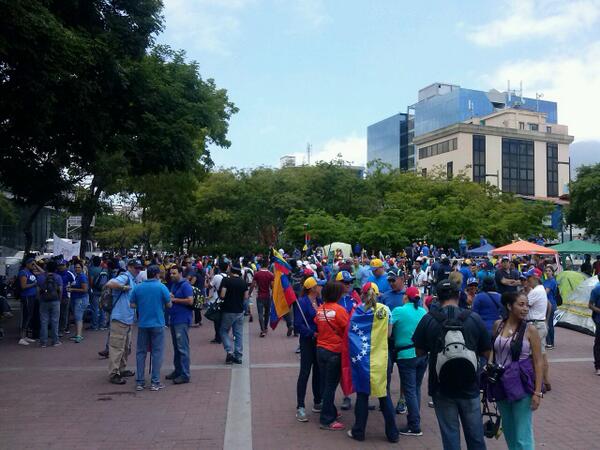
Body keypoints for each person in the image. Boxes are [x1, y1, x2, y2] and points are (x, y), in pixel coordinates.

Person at [413, 280, 491, 450]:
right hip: (469, 384)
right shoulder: (473, 318)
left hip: (441, 386)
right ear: (458, 296)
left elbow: (419, 352)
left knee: (450, 436)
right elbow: (486, 351)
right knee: (476, 435)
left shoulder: (428, 319)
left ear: (437, 298)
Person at [490, 291, 544, 449]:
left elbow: (538, 362)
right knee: (509, 430)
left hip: (521, 383)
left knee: (523, 435)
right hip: (500, 383)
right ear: (509, 306)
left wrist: (537, 392)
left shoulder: (530, 330)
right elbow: (493, 349)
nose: (525, 308)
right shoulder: (498, 325)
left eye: (527, 305)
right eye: (521, 304)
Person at [347, 282, 399, 443]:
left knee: (362, 395)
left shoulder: (357, 311)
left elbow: (351, 334)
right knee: (384, 395)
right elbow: (389, 334)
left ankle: (359, 431)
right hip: (382, 358)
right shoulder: (385, 310)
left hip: (363, 360)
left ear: (362, 294)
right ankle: (392, 434)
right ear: (377, 294)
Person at [391, 285, 427, 436]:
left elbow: (388, 329)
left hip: (406, 355)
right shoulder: (423, 312)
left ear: (405, 297)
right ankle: (415, 420)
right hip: (422, 355)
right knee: (416, 388)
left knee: (410, 390)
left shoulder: (398, 311)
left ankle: (414, 425)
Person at [130, 265, 172, 391]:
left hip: (143, 323)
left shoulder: (138, 287)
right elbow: (169, 304)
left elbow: (132, 304)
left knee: (141, 352)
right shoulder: (161, 287)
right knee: (157, 353)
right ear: (157, 274)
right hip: (158, 323)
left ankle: (140, 381)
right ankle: (155, 381)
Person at [314, 281, 349, 431]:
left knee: (326, 383)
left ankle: (330, 411)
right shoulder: (339, 310)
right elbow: (347, 328)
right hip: (334, 351)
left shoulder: (320, 309)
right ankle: (327, 419)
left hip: (320, 350)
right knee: (330, 386)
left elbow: (317, 323)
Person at [294, 276, 325, 422]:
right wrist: (311, 333)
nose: (321, 288)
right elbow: (298, 325)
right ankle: (300, 406)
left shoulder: (319, 301)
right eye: (318, 286)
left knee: (318, 371)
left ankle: (318, 400)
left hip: (319, 341)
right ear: (312, 288)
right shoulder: (301, 303)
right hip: (307, 341)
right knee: (305, 372)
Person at [105, 259, 140, 384]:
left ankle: (121, 368)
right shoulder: (124, 277)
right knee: (117, 347)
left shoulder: (133, 279)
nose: (138, 270)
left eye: (139, 268)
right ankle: (114, 373)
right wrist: (123, 287)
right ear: (129, 267)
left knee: (126, 347)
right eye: (136, 268)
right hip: (119, 317)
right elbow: (110, 283)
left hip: (128, 319)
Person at [525, 268, 551, 391]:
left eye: (529, 278)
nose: (527, 280)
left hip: (536, 324)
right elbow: (549, 306)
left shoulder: (536, 291)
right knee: (542, 354)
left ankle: (539, 383)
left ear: (535, 278)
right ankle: (545, 382)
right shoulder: (540, 290)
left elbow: (523, 304)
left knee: (535, 356)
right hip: (540, 323)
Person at [167, 265, 194, 383]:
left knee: (182, 348)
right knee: (177, 347)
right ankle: (178, 370)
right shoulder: (174, 285)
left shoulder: (186, 285)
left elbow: (190, 300)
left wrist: (175, 300)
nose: (172, 275)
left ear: (180, 273)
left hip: (182, 320)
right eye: (171, 273)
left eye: (174, 273)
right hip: (174, 319)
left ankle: (185, 374)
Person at [219, 263, 248, 364]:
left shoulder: (226, 280)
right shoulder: (243, 282)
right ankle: (238, 355)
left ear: (231, 271)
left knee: (223, 331)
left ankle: (229, 351)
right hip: (239, 311)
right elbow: (246, 297)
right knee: (238, 334)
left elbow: (222, 295)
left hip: (228, 310)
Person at [37, 260, 63, 347]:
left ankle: (43, 342)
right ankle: (55, 341)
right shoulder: (58, 277)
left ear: (46, 267)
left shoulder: (41, 277)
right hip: (55, 300)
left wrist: (39, 299)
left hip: (44, 301)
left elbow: (38, 290)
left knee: (44, 321)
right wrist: (59, 299)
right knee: (55, 321)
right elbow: (60, 290)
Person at [17, 257, 39, 346]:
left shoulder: (30, 272)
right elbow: (23, 286)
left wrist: (36, 265)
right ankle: (22, 337)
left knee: (29, 315)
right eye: (32, 264)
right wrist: (34, 284)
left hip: (32, 296)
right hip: (27, 296)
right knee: (27, 316)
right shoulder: (23, 272)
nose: (33, 266)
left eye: (34, 264)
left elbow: (42, 272)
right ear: (27, 264)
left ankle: (25, 336)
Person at [66, 261, 89, 343]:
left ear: (82, 268)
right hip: (76, 298)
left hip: (81, 299)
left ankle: (79, 335)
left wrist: (72, 289)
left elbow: (85, 289)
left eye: (79, 267)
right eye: (76, 267)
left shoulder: (82, 277)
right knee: (77, 317)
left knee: (78, 317)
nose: (77, 269)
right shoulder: (77, 276)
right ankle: (77, 334)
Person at [250, 262, 274, 337]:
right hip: (267, 296)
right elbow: (272, 286)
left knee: (260, 313)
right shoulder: (270, 274)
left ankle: (262, 330)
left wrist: (249, 293)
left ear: (261, 265)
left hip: (260, 296)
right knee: (267, 313)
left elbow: (253, 284)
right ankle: (266, 327)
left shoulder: (257, 274)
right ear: (267, 265)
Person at [56, 260, 76, 337]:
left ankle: (62, 329)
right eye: (59, 265)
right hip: (56, 297)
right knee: (58, 314)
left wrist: (70, 289)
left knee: (64, 313)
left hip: (66, 297)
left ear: (66, 265)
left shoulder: (69, 274)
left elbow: (74, 283)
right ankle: (58, 329)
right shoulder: (56, 273)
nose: (61, 266)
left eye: (62, 265)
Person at [543, 266, 558, 350]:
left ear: (552, 272)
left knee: (549, 323)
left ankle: (550, 343)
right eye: (546, 271)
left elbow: (545, 292)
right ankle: (548, 341)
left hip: (550, 304)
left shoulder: (552, 281)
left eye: (549, 271)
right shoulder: (545, 281)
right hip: (545, 304)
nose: (547, 272)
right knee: (547, 322)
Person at [587, 273, 600, 376]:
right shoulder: (596, 290)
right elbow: (590, 305)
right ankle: (598, 366)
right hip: (599, 319)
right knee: (598, 343)